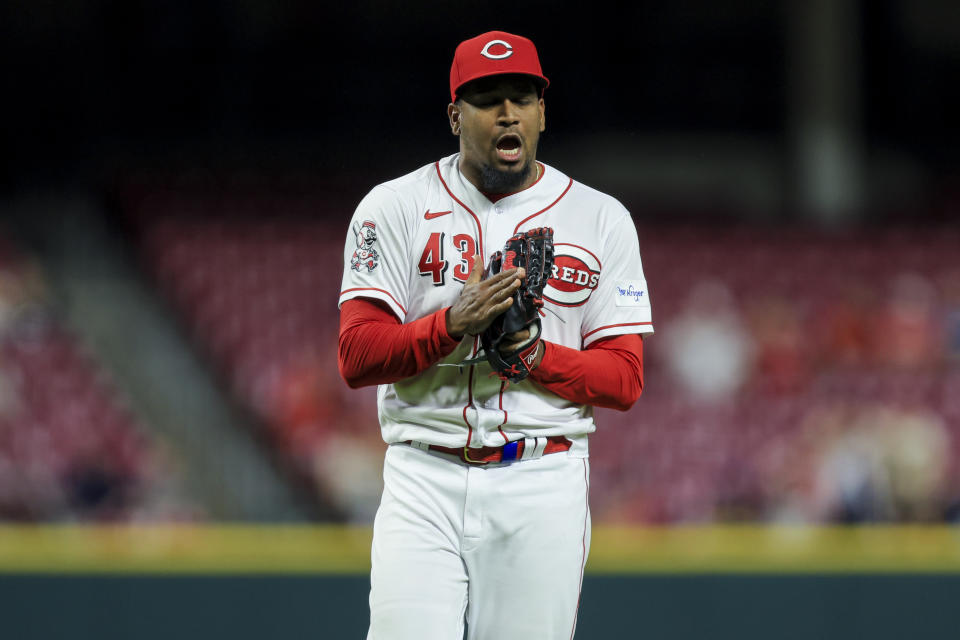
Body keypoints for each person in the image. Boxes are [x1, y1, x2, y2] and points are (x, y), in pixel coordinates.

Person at [338, 30, 654, 640]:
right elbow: (356, 355)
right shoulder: (393, 207)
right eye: (486, 99)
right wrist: (451, 325)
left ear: (542, 111)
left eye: (522, 96)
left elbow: (624, 378)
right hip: (422, 473)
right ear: (455, 115)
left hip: (540, 478)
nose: (506, 113)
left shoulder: (600, 217)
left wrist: (533, 355)